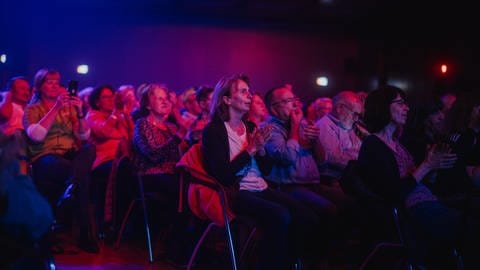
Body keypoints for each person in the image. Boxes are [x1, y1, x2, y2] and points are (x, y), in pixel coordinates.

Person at [202, 74, 320, 270]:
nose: (249, 95)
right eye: (243, 91)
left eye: (249, 90)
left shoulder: (249, 126)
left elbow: (264, 170)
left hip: (260, 187)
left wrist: (261, 150)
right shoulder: (214, 131)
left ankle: (289, 263)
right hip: (236, 192)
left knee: (306, 215)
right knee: (281, 215)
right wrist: (251, 149)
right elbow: (222, 175)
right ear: (227, 99)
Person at [357, 85, 473, 268]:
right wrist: (426, 166)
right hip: (409, 212)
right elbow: (392, 192)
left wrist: (434, 167)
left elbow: (418, 181)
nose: (407, 107)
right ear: (383, 106)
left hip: (427, 202)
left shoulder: (397, 144)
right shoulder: (373, 145)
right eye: (400, 103)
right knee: (471, 229)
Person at [23, 68, 98, 253]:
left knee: (89, 149)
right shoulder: (32, 109)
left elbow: (85, 135)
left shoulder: (70, 109)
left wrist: (80, 111)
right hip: (45, 157)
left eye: (57, 82)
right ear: (39, 87)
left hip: (69, 156)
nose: (55, 85)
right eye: (50, 82)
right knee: (82, 180)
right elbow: (36, 136)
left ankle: (71, 185)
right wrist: (56, 107)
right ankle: (84, 235)